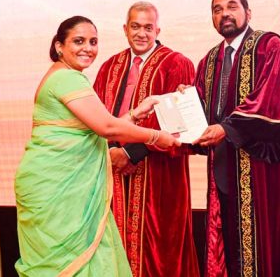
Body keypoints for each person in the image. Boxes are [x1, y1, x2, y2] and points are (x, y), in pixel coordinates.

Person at [14, 15, 179, 276]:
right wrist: (156, 137)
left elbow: (96, 127)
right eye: (78, 41)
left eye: (93, 42)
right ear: (59, 46)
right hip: (56, 189)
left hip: (62, 188)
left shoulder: (62, 75)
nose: (88, 48)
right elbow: (107, 128)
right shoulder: (67, 79)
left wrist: (136, 112)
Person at [191, 0, 280, 277]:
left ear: (248, 12)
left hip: (263, 170)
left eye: (232, 6)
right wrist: (186, 103)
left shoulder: (269, 47)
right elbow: (203, 113)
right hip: (223, 169)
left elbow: (268, 100)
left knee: (265, 250)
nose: (224, 14)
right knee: (230, 249)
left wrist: (226, 129)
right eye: (217, 9)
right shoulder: (208, 61)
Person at [93, 2, 199, 277]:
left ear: (157, 30)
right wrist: (113, 151)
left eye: (148, 28)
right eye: (135, 26)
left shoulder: (177, 64)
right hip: (113, 171)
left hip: (159, 175)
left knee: (161, 254)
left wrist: (130, 153)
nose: (141, 33)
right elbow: (96, 116)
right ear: (125, 29)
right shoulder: (108, 67)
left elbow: (178, 125)